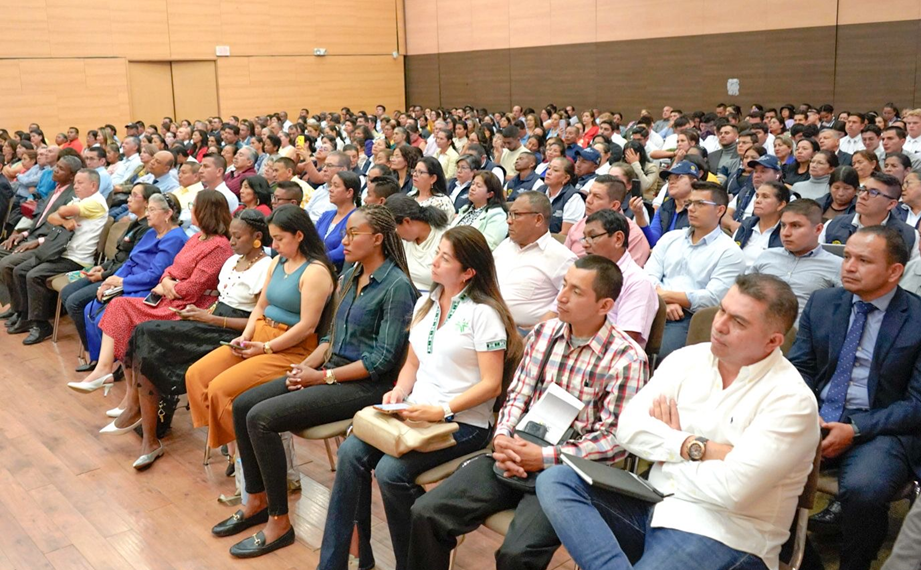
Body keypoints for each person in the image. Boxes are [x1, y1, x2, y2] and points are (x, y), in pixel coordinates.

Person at [538, 274, 819, 570]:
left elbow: (733, 493)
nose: (719, 325)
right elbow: (628, 429)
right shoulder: (689, 359)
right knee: (558, 480)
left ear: (772, 341)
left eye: (738, 322)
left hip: (727, 533)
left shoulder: (791, 401)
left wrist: (665, 454)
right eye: (722, 310)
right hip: (655, 505)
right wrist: (693, 446)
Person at [408, 255, 649, 570]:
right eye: (564, 285)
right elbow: (518, 394)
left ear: (604, 306)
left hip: (567, 473)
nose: (561, 296)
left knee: (517, 555)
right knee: (426, 513)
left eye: (576, 292)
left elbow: (614, 441)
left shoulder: (627, 359)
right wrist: (504, 438)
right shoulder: (545, 333)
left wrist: (545, 457)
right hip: (516, 449)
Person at [211, 205, 417, 559]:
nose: (344, 240)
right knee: (245, 403)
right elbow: (330, 337)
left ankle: (279, 522)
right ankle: (256, 500)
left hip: (364, 385)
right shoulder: (352, 274)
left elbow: (381, 361)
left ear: (379, 239)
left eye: (353, 234)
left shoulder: (397, 286)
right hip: (329, 370)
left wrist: (321, 377)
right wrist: (304, 369)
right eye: (345, 233)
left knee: (262, 418)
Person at [319, 226, 522, 570]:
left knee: (390, 472)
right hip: (414, 412)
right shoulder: (426, 301)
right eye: (437, 252)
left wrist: (441, 410)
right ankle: (336, 562)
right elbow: (413, 361)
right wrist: (399, 391)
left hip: (464, 422)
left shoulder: (483, 313)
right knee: (352, 451)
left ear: (469, 271)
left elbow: (492, 385)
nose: (435, 261)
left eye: (445, 257)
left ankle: (414, 559)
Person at [787, 226, 921, 570]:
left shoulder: (917, 319)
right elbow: (799, 367)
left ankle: (855, 564)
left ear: (895, 272)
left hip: (879, 427)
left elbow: (916, 404)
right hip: (816, 416)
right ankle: (803, 561)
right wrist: (809, 411)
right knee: (757, 468)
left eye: (863, 260)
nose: (848, 266)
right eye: (846, 257)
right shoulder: (824, 302)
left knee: (864, 490)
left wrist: (856, 428)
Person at [118, 210, 272, 466]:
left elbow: (258, 322)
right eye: (230, 235)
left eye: (237, 236)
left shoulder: (266, 267)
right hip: (211, 321)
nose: (231, 242)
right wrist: (198, 314)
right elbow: (221, 303)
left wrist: (208, 318)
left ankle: (146, 428)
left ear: (257, 237)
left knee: (150, 337)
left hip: (235, 332)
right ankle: (148, 433)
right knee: (145, 333)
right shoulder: (232, 261)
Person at [185, 205, 336, 452]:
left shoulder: (315, 271)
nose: (273, 245)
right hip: (260, 334)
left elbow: (308, 327)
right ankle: (234, 442)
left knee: (220, 389)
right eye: (272, 238)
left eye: (279, 239)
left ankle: (245, 459)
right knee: (196, 375)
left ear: (300, 235)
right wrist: (245, 337)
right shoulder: (278, 261)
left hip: (290, 347)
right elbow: (261, 306)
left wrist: (266, 348)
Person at [66, 191, 232, 403]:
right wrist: (166, 282)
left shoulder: (219, 245)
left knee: (129, 322)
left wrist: (170, 285)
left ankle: (129, 399)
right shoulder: (197, 238)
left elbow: (193, 288)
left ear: (206, 211)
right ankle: (105, 371)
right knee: (118, 306)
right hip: (169, 295)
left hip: (189, 306)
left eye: (194, 206)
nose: (191, 211)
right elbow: (169, 269)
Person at [645, 181, 746, 360]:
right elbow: (647, 275)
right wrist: (664, 302)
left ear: (720, 210)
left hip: (689, 318)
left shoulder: (729, 251)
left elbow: (712, 298)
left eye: (700, 204)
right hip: (651, 305)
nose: (691, 209)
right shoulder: (671, 238)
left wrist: (666, 296)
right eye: (690, 203)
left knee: (665, 357)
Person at [61, 183, 159, 368]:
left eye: (134, 195)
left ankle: (100, 357)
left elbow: (132, 262)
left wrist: (105, 275)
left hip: (120, 278)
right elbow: (119, 256)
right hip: (111, 271)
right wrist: (101, 268)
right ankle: (95, 352)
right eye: (129, 194)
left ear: (147, 203)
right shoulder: (136, 222)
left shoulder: (148, 229)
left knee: (75, 302)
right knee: (67, 293)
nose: (128, 198)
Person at [7, 168, 109, 345]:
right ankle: (24, 315)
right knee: (20, 270)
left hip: (77, 259)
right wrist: (64, 220)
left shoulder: (96, 202)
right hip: (60, 251)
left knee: (34, 275)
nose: (75, 186)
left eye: (80, 183)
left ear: (93, 185)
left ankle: (41, 324)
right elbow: (53, 217)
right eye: (75, 182)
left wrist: (63, 214)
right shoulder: (81, 199)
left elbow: (61, 209)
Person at [546, 210, 658, 347]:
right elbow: (553, 314)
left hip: (603, 360)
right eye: (584, 238)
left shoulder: (638, 282)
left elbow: (626, 342)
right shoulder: (580, 270)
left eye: (593, 237)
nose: (585, 244)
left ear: (618, 239)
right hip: (562, 345)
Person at [748, 199, 842, 325]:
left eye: (796, 226)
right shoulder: (766, 256)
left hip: (802, 339)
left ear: (818, 230)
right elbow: (743, 294)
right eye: (783, 225)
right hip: (756, 331)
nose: (786, 233)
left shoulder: (837, 266)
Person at [821, 172, 920, 262]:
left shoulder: (909, 235)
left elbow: (912, 275)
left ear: (891, 204)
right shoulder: (833, 225)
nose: (863, 196)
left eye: (873, 192)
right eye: (863, 189)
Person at [567, 175, 650, 266]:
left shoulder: (634, 236)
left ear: (614, 205)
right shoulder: (579, 225)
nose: (588, 200)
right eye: (589, 194)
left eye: (597, 197)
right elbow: (564, 261)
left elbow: (627, 275)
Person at [387, 193, 449, 293]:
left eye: (394, 228)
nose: (395, 233)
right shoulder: (401, 240)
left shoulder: (445, 239)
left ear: (406, 221)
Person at [632, 161, 697, 247]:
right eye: (669, 179)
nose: (671, 182)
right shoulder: (665, 207)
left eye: (678, 177)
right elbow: (653, 240)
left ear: (694, 182)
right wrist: (639, 215)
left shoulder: (699, 210)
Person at [732, 181, 789, 266]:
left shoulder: (787, 232)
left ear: (781, 205)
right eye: (757, 196)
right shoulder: (745, 226)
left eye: (765, 197)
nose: (757, 201)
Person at [449, 170, 508, 250]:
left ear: (490, 194)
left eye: (478, 186)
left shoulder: (497, 214)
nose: (472, 188)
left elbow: (489, 245)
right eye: (472, 184)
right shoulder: (466, 208)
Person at [315, 170, 361, 272]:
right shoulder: (326, 215)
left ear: (349, 192)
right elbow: (310, 239)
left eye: (336, 186)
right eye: (331, 185)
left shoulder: (357, 218)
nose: (331, 190)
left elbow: (342, 251)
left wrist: (315, 260)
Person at [538, 156, 584, 235]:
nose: (548, 172)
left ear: (566, 178)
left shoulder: (573, 198)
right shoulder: (540, 190)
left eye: (555, 170)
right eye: (549, 168)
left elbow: (565, 235)